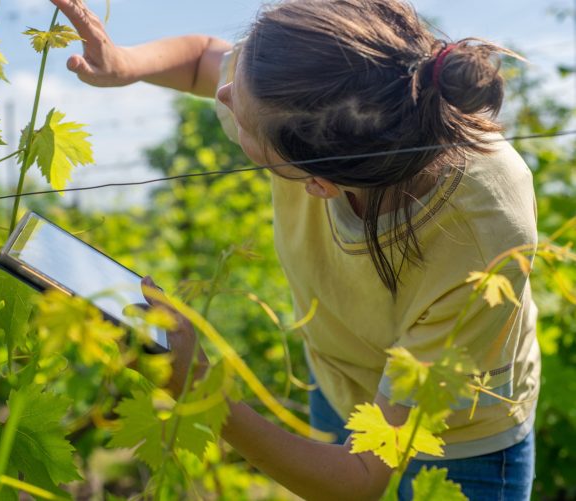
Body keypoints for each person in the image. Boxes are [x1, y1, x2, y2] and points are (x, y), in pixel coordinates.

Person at [50, 0, 540, 499]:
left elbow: (359, 479)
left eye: (243, 122)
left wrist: (199, 392)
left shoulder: (484, 233)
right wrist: (124, 64)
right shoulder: (317, 93)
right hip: (337, 377)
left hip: (462, 440)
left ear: (320, 184)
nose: (223, 96)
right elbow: (202, 60)